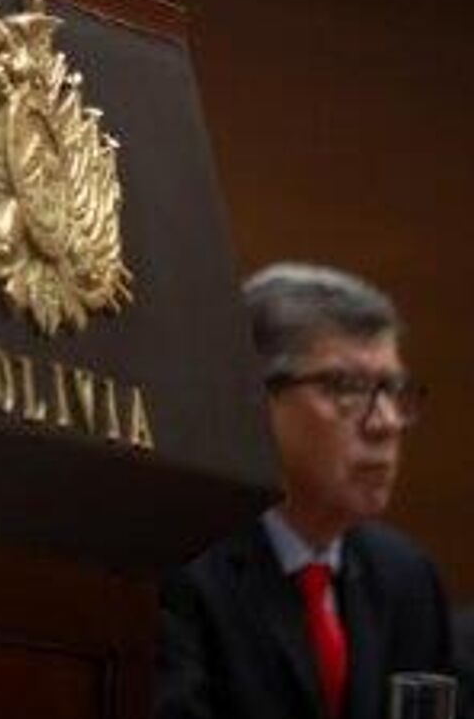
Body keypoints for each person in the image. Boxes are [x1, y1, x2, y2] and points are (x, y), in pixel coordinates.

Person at [156, 263, 462, 719]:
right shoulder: (180, 566)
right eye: (346, 388)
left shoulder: (405, 578)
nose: (385, 423)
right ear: (255, 397)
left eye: (392, 389)